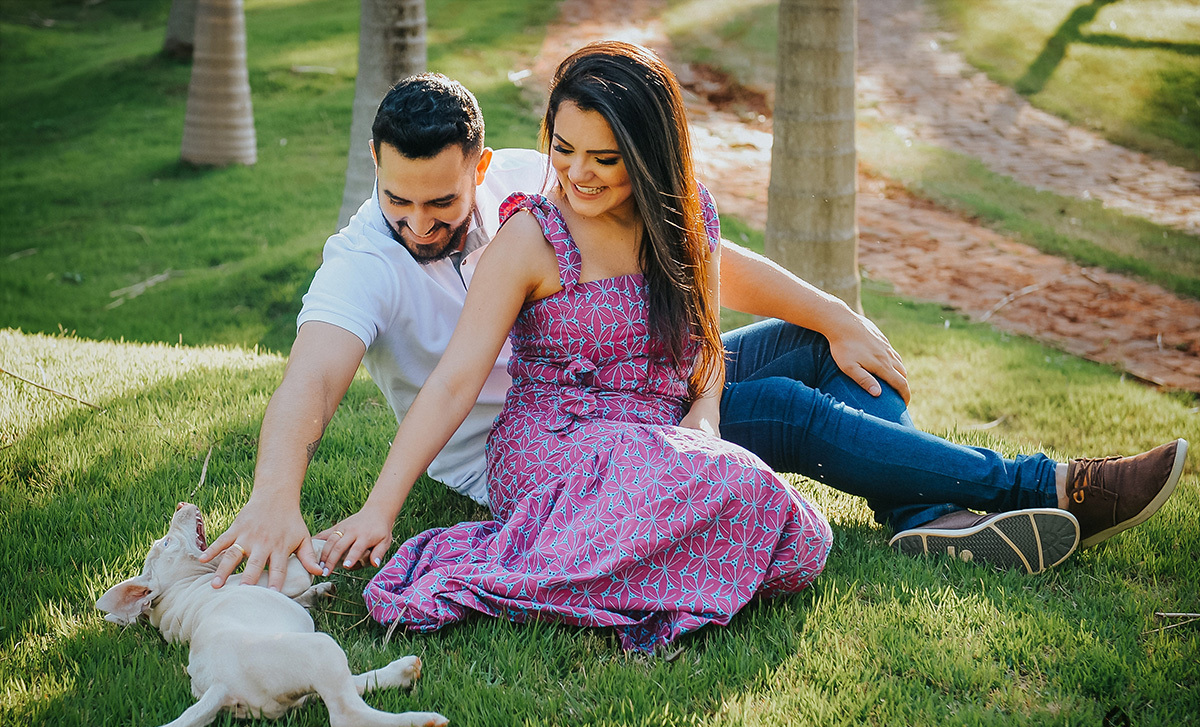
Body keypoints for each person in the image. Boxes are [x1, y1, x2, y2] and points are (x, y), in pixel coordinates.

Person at [200, 58, 1188, 589]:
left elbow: (696, 260)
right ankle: (1046, 483)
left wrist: (838, 311)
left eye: (437, 202)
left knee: (824, 352)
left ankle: (923, 516)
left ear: (481, 165)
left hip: (644, 386)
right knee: (792, 416)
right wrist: (299, 497)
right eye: (395, 200)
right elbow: (324, 381)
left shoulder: (555, 173)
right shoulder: (376, 258)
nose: (415, 223)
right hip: (547, 446)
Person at [323, 41, 832, 650]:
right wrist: (381, 508)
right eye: (562, 150)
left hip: (656, 435)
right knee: (747, 487)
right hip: (554, 446)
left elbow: (705, 337)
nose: (576, 172)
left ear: (646, 155)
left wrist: (703, 415)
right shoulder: (529, 236)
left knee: (800, 543)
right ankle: (612, 567)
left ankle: (937, 510)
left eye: (603, 158)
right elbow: (453, 382)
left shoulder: (687, 215)